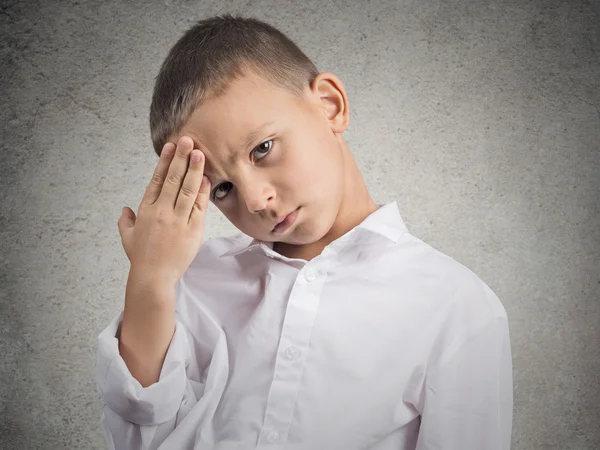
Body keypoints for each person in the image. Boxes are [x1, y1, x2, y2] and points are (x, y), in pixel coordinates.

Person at [95, 13, 513, 450]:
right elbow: (137, 443)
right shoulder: (190, 283)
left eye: (263, 148)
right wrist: (151, 279)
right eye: (222, 188)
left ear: (330, 105)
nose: (255, 200)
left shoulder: (456, 307)